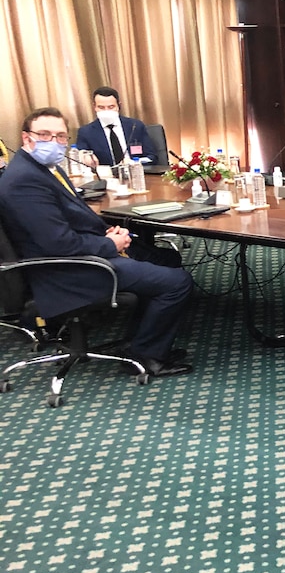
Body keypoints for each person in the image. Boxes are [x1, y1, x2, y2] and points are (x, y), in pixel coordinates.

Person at [0, 108, 192, 377]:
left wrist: (106, 234)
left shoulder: (41, 169)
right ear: (26, 138)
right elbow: (57, 244)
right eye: (44, 135)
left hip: (78, 254)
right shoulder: (23, 181)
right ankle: (147, 356)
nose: (53, 142)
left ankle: (138, 342)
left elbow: (68, 220)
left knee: (165, 259)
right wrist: (110, 245)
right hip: (67, 270)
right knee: (177, 282)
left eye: (60, 136)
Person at [74, 86, 160, 168]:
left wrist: (135, 163)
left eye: (111, 107)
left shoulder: (135, 126)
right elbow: (82, 160)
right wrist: (86, 158)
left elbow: (152, 157)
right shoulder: (86, 132)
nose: (106, 111)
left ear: (119, 106)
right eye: (101, 107)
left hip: (137, 174)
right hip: (107, 178)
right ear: (94, 107)